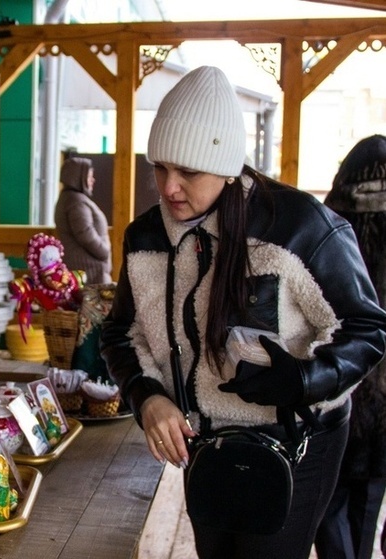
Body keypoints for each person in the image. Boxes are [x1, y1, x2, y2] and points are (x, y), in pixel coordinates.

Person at [99, 66, 386, 559]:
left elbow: (367, 328)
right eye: (160, 168)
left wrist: (305, 379)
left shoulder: (300, 228)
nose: (169, 188)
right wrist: (147, 398)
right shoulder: (145, 239)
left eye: (188, 171)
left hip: (298, 441)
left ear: (229, 167)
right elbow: (121, 335)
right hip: (204, 441)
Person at [315, 134, 386, 559]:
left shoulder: (326, 227)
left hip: (333, 390)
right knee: (367, 503)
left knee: (328, 505)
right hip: (384, 406)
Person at [54, 156, 112, 284]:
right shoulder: (76, 202)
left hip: (87, 274)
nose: (93, 180)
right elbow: (85, 234)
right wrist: (104, 252)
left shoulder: (71, 199)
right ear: (77, 177)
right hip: (89, 276)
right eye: (89, 176)